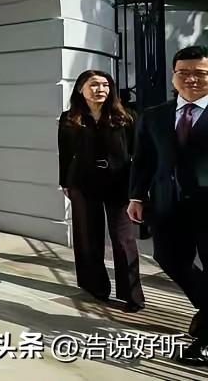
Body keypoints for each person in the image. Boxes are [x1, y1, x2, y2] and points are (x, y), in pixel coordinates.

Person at [129, 45, 208, 365]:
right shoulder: (154, 115)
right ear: (173, 76)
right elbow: (143, 160)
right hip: (167, 203)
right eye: (183, 73)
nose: (191, 79)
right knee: (168, 257)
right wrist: (136, 196)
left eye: (200, 73)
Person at [57, 70, 144, 312]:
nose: (101, 89)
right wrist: (65, 182)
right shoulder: (69, 118)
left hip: (118, 182)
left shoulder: (126, 116)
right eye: (94, 84)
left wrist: (137, 189)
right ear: (81, 89)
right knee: (87, 235)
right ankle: (94, 286)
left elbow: (139, 154)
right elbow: (65, 153)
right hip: (82, 183)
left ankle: (132, 295)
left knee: (124, 238)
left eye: (105, 85)